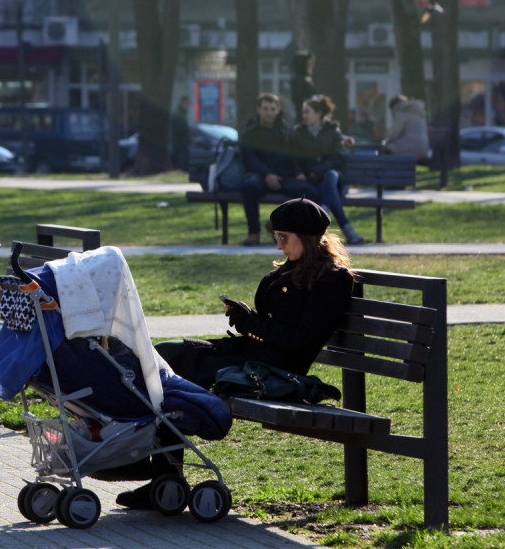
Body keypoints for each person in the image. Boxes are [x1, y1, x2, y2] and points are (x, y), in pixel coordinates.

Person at [115, 197, 357, 510]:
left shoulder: (333, 280)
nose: (279, 247)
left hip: (276, 370)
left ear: (308, 238)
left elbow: (301, 342)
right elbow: (274, 324)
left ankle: (158, 472)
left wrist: (252, 324)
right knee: (162, 355)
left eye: (284, 238)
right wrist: (248, 320)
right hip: (252, 356)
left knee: (170, 379)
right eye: (276, 238)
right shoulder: (295, 269)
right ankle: (161, 474)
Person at [238, 93, 319, 246]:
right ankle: (253, 233)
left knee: (311, 193)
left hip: (284, 177)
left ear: (277, 110)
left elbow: (292, 156)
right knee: (249, 187)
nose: (269, 112)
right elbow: (250, 159)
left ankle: (280, 227)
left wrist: (299, 173)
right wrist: (267, 175)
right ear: (258, 110)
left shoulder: (286, 132)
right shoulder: (249, 133)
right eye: (265, 108)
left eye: (272, 109)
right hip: (260, 177)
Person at [291, 95, 365, 245]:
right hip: (311, 179)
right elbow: (293, 157)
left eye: (307, 112)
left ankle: (323, 211)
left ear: (318, 113)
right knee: (331, 193)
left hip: (333, 177)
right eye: (303, 112)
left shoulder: (332, 131)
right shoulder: (299, 133)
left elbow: (338, 157)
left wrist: (318, 170)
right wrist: (299, 173)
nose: (304, 115)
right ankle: (348, 230)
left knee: (330, 176)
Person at [384, 94, 430, 161]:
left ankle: (390, 170)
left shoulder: (401, 112)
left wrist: (386, 143)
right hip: (423, 149)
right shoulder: (417, 111)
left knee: (388, 149)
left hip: (411, 148)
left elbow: (395, 134)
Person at [289, 50, 316, 121]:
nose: (311, 66)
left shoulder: (308, 79)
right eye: (308, 64)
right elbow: (297, 98)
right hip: (303, 116)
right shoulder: (298, 79)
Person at [169, 96, 191, 170]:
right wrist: (188, 129)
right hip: (179, 144)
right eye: (187, 103)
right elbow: (180, 128)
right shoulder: (179, 113)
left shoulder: (182, 113)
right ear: (183, 103)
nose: (188, 105)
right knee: (181, 164)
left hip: (180, 143)